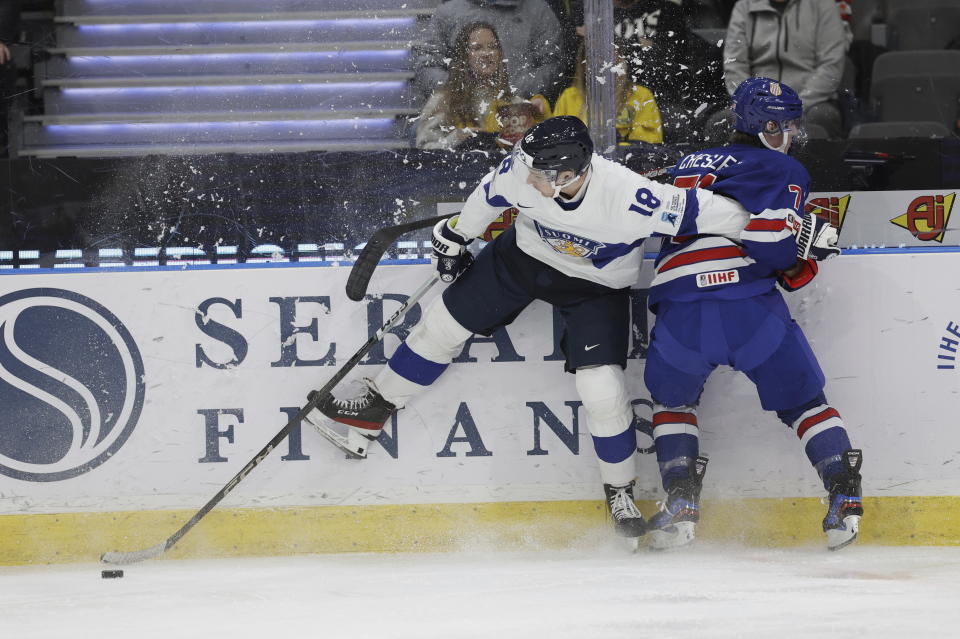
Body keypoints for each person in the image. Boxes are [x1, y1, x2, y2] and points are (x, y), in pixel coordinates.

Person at [306, 115, 755, 543]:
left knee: (601, 388)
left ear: (570, 175)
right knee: (440, 325)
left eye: (542, 175)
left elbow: (722, 214)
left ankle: (620, 495)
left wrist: (786, 225)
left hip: (597, 287)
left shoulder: (631, 198)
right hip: (521, 258)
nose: (530, 180)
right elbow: (489, 195)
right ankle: (373, 410)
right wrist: (460, 235)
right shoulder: (523, 167)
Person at [641, 77, 863, 551]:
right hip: (746, 307)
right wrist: (802, 251)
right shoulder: (781, 167)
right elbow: (770, 244)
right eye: (786, 125)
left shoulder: (686, 163)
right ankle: (843, 498)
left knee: (673, 406)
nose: (792, 135)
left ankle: (680, 504)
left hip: (681, 308)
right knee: (807, 405)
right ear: (765, 126)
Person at [723, 0, 848, 139]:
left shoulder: (823, 5)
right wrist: (754, 105)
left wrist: (793, 107)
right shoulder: (744, 6)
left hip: (809, 102)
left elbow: (831, 66)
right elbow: (734, 64)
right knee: (720, 122)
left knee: (822, 117)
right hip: (756, 103)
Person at [416, 22, 550, 151]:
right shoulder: (443, 101)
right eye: (477, 48)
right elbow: (424, 151)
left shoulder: (514, 103)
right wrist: (456, 138)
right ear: (464, 56)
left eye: (492, 47)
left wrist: (536, 116)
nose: (487, 53)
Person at [414, 0, 566, 105]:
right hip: (460, 112)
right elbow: (427, 65)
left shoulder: (538, 11)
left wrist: (509, 93)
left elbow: (554, 64)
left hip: (520, 112)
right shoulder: (449, 12)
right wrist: (462, 91)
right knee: (419, 133)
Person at [552, 40, 663, 144]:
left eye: (607, 55)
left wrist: (616, 142)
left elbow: (650, 142)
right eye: (593, 56)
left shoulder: (641, 96)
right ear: (583, 64)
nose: (600, 62)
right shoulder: (569, 97)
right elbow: (555, 140)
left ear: (621, 59)